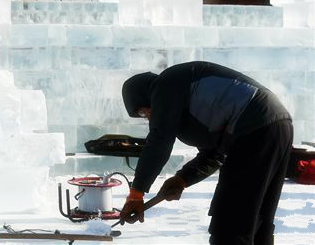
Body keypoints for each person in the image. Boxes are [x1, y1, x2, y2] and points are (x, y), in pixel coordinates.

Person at [119, 61, 293, 245]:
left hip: (254, 127)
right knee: (256, 222)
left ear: (145, 95)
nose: (149, 118)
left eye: (144, 112)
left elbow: (159, 140)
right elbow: (215, 154)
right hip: (276, 126)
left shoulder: (165, 85)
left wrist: (136, 193)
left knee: (229, 226)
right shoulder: (185, 96)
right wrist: (182, 179)